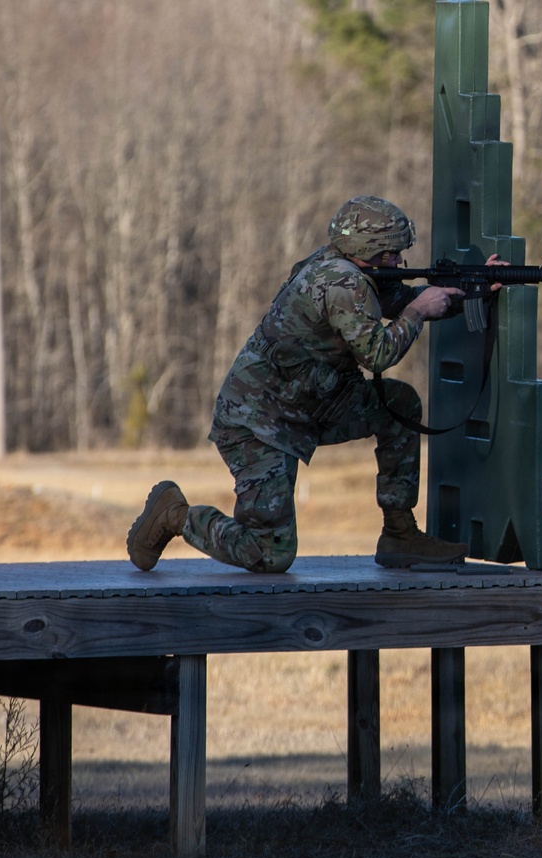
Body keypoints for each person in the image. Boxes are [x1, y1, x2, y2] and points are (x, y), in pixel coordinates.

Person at [127, 195, 484, 574]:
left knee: (399, 406)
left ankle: (399, 533)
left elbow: (393, 298)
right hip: (258, 423)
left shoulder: (343, 266)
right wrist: (419, 311)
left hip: (308, 407)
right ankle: (175, 515)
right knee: (270, 552)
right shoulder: (340, 280)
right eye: (392, 254)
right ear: (368, 250)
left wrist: (472, 288)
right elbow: (378, 354)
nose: (398, 262)